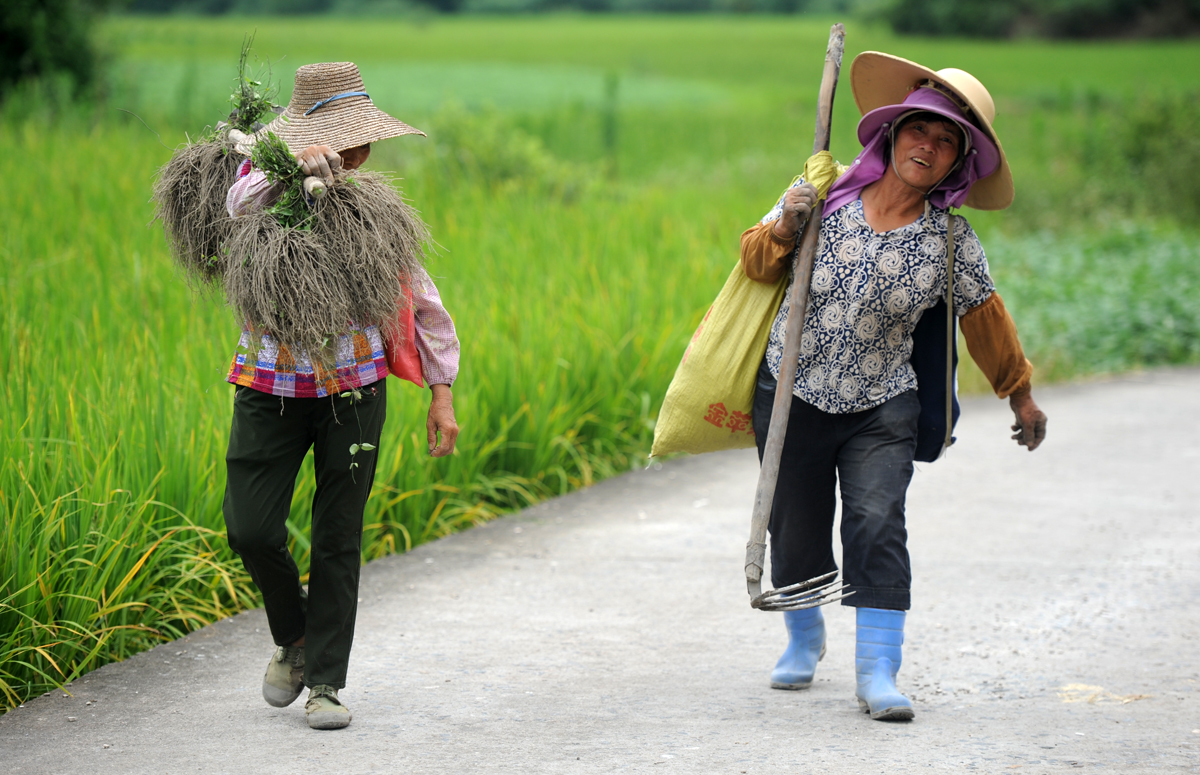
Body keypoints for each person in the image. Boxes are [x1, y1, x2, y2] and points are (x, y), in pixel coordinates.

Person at [739, 52, 1047, 721]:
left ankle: (878, 670)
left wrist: (1019, 393)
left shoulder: (950, 241)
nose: (927, 147)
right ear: (893, 134)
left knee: (878, 521)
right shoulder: (824, 194)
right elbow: (756, 261)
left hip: (883, 401)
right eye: (919, 131)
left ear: (956, 165)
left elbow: (985, 318)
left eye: (945, 143)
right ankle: (803, 632)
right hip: (791, 388)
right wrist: (788, 221)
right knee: (794, 520)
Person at [221, 62, 461, 730]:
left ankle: (325, 680)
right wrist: (293, 170)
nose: (356, 152)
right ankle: (295, 636)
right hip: (268, 385)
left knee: (337, 536)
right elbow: (235, 208)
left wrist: (441, 393)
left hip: (354, 391)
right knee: (250, 526)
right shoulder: (262, 183)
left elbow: (425, 303)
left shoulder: (373, 211)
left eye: (361, 141)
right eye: (342, 139)